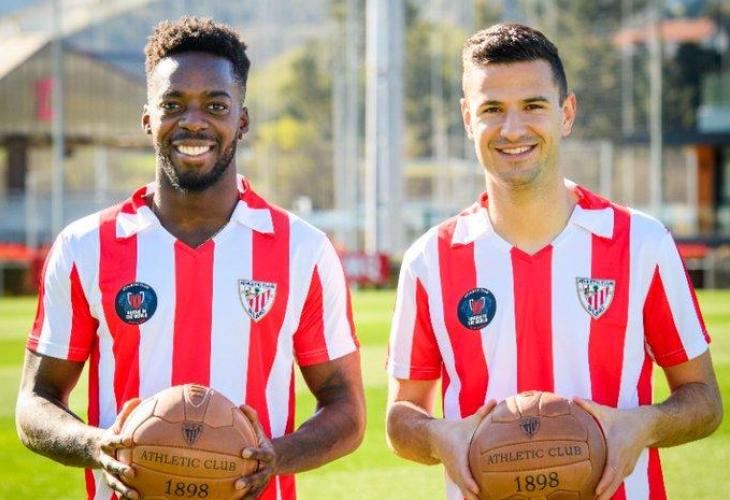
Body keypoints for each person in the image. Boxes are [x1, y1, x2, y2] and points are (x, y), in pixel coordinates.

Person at [16, 17, 365, 500]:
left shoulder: (303, 249)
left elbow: (346, 407)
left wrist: (276, 456)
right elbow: (35, 401)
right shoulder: (85, 245)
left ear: (242, 120)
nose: (193, 121)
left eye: (215, 106)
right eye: (173, 105)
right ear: (148, 119)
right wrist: (95, 445)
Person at [385, 23, 722, 500]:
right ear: (467, 118)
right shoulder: (428, 260)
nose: (513, 129)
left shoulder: (642, 243)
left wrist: (644, 424)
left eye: (533, 106)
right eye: (492, 109)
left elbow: (704, 399)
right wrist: (439, 436)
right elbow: (401, 417)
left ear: (566, 113)